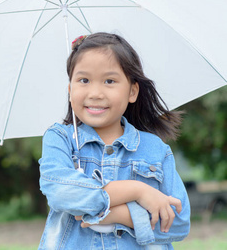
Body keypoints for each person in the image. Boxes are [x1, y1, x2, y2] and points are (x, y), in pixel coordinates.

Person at [38, 32, 190, 249]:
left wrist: (118, 214)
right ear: (70, 90)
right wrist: (138, 191)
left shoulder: (155, 150)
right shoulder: (61, 139)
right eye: (84, 80)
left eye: (109, 81)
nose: (96, 93)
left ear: (132, 91)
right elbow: (60, 192)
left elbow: (179, 223)